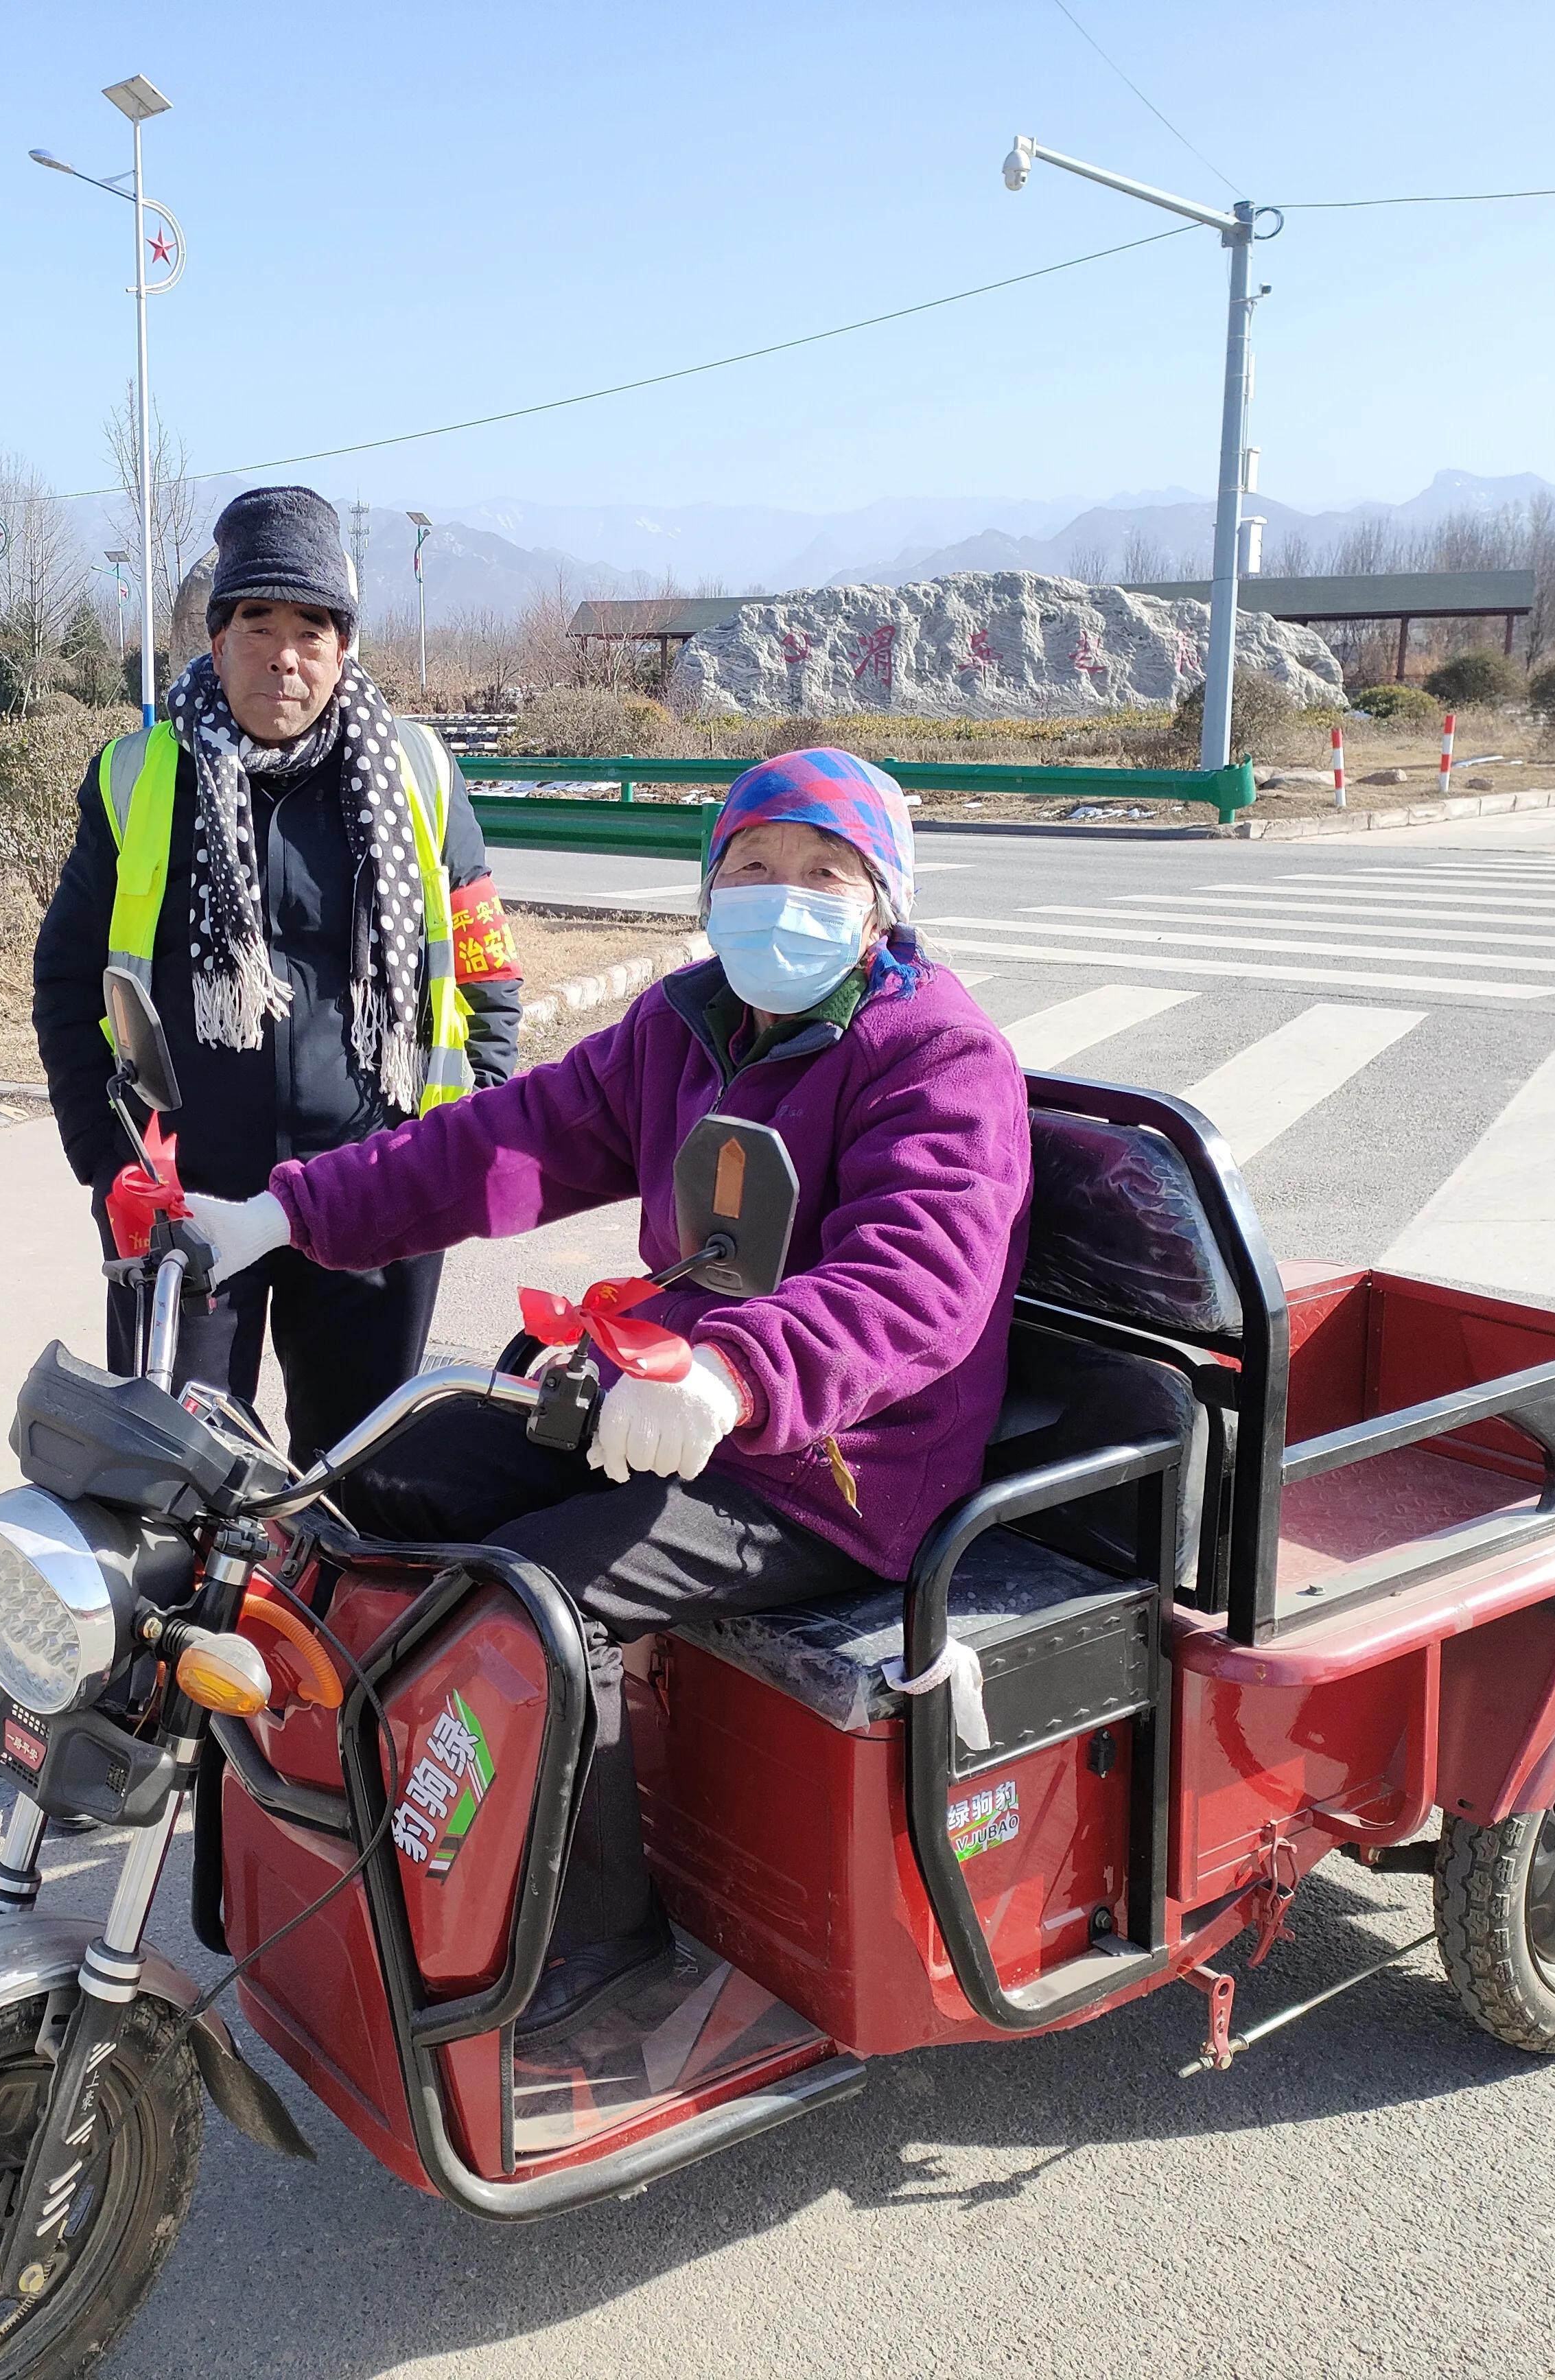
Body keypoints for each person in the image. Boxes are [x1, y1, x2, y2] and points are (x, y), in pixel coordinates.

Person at [178, 749, 1031, 2041]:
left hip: (839, 1461)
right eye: (752, 867)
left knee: (530, 1603)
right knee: (365, 1489)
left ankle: (588, 1951)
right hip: (662, 1399)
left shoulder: (938, 1056)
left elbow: (919, 1279)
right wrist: (285, 1213)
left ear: (882, 905)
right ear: (710, 885)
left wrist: (743, 1370)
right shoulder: (684, 1024)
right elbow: (498, 1142)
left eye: (824, 873)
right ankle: (378, 1800)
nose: (780, 897)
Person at [32, 485, 523, 1462]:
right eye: (257, 621)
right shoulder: (140, 777)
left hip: (375, 1187)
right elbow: (66, 975)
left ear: (345, 649)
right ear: (216, 642)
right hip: (186, 1192)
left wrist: (470, 1131)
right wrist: (105, 1153)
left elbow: (483, 968)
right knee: (174, 1468)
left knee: (360, 1469)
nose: (283, 654)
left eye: (311, 627)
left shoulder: (418, 774)